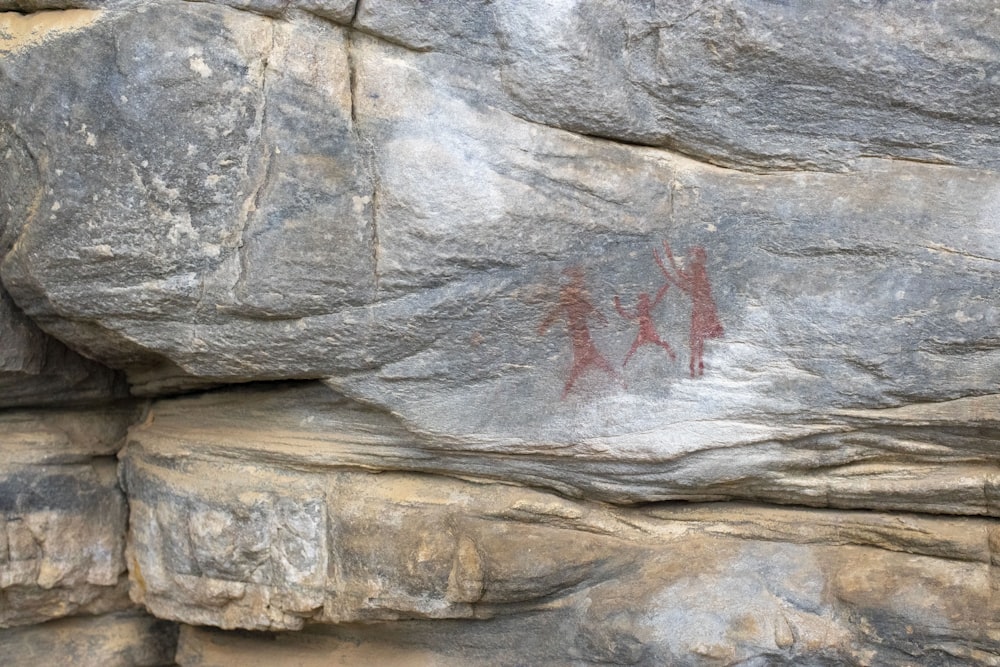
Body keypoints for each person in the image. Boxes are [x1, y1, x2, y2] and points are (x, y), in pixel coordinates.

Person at [539, 267, 624, 398]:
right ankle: (565, 394)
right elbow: (553, 315)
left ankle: (565, 394)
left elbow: (594, 312)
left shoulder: (578, 303)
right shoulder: (570, 305)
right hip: (581, 341)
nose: (565, 294)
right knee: (587, 365)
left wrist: (544, 326)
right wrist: (544, 326)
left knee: (586, 365)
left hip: (582, 341)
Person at [653, 242, 723, 377]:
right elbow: (681, 280)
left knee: (696, 336)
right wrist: (664, 261)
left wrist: (666, 258)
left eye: (695, 254)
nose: (692, 257)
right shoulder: (698, 270)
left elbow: (680, 278)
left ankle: (695, 366)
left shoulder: (698, 270)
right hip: (703, 306)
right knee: (697, 337)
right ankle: (696, 366)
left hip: (703, 307)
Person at [613, 283, 676, 367]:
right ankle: (625, 363)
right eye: (642, 302)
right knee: (634, 348)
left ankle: (625, 363)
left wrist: (664, 289)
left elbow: (658, 298)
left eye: (645, 301)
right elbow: (624, 314)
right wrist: (617, 304)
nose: (643, 304)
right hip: (644, 333)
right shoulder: (639, 314)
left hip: (649, 332)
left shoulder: (645, 312)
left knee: (659, 343)